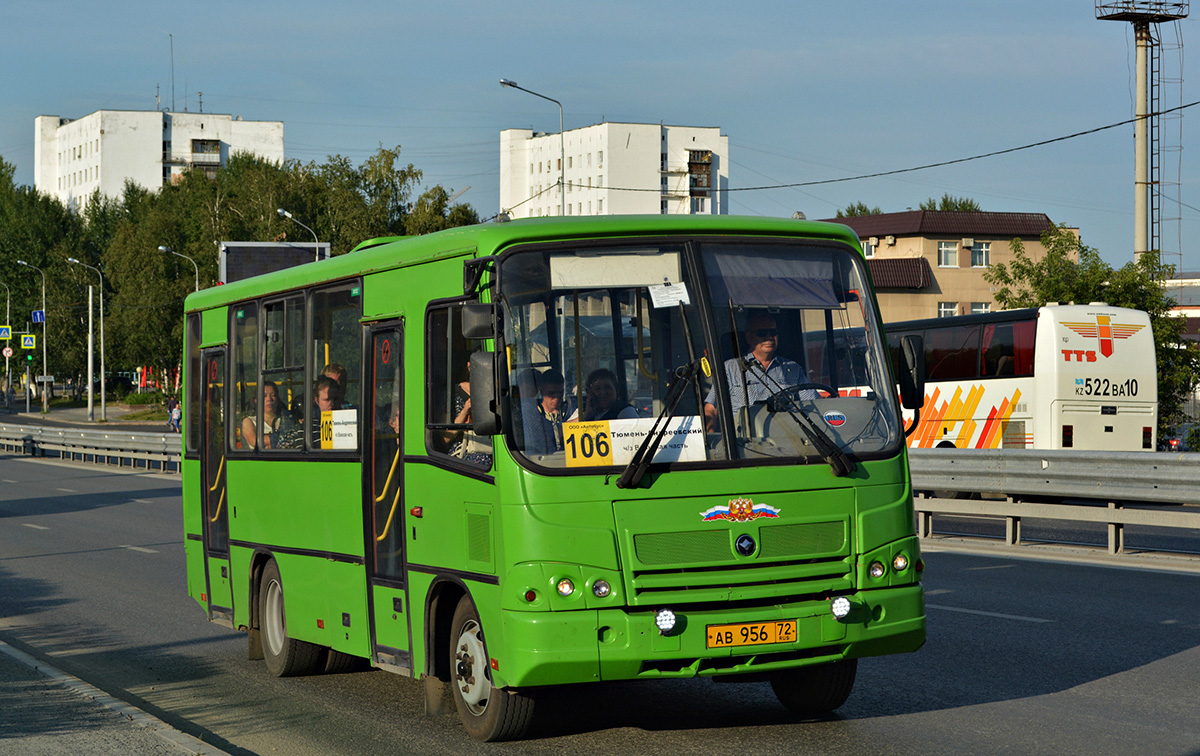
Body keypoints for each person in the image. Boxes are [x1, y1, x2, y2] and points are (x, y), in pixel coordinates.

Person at [704, 310, 813, 432]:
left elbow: (812, 403)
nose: (769, 337)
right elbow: (711, 407)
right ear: (748, 336)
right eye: (762, 333)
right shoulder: (730, 368)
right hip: (745, 442)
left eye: (773, 332)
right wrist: (712, 437)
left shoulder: (792, 368)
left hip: (789, 438)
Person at [526, 368, 569, 456]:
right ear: (541, 391)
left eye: (560, 392)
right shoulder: (532, 415)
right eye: (551, 393)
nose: (557, 398)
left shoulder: (569, 410)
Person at [574, 368, 638, 422]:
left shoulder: (625, 411)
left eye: (607, 387)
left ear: (616, 389)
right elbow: (565, 430)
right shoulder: (583, 410)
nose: (603, 392)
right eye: (597, 389)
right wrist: (585, 415)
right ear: (590, 393)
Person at [242, 382, 293, 449]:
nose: (269, 399)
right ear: (256, 401)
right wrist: (283, 438)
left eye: (273, 395)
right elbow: (255, 441)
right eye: (264, 396)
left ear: (277, 399)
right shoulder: (249, 421)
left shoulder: (286, 420)